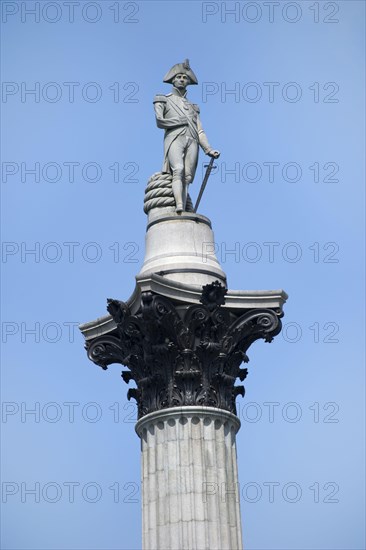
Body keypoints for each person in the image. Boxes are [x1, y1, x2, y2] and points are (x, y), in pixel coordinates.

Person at [153, 60, 220, 213]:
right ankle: (179, 206)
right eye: (179, 77)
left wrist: (208, 149)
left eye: (185, 77)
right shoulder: (163, 99)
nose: (182, 79)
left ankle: (183, 206)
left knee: (188, 177)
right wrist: (179, 121)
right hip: (175, 137)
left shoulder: (193, 107)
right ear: (173, 80)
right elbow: (160, 121)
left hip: (192, 140)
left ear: (188, 81)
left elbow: (200, 131)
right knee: (178, 169)